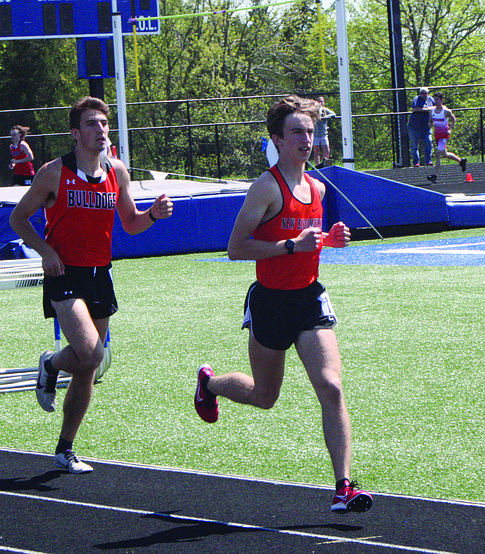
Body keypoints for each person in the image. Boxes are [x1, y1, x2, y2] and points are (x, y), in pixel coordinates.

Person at [193, 95, 372, 515]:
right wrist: (291, 245)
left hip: (309, 299)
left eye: (310, 131)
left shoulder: (319, 187)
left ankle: (343, 487)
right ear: (277, 139)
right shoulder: (265, 186)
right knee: (265, 395)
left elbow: (309, 243)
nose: (306, 139)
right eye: (297, 132)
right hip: (271, 302)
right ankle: (210, 384)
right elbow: (236, 248)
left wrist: (330, 240)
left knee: (330, 386)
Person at [9, 97, 173, 474]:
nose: (100, 130)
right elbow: (19, 219)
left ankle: (65, 447)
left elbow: (130, 223)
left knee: (86, 367)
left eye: (104, 124)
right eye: (92, 124)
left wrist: (153, 215)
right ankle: (50, 365)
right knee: (92, 353)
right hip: (64, 272)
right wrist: (45, 251)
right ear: (75, 133)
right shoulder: (53, 172)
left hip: (101, 272)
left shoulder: (117, 171)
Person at [426, 92, 467, 184]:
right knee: (444, 154)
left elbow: (453, 119)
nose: (436, 102)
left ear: (442, 100)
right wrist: (430, 124)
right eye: (435, 100)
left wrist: (450, 129)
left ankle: (434, 175)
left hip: (444, 135)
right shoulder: (431, 111)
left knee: (438, 154)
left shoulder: (446, 111)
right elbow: (430, 120)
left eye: (437, 100)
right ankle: (461, 161)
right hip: (437, 134)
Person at [407, 87, 434, 167]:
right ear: (419, 93)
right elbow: (415, 109)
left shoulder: (431, 99)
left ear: (428, 93)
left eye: (425, 93)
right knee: (414, 145)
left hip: (426, 127)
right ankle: (416, 162)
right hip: (414, 127)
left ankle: (428, 161)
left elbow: (435, 108)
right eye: (422, 93)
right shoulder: (416, 99)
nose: (424, 95)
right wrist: (427, 109)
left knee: (428, 143)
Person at [312, 96, 336, 166]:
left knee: (326, 150)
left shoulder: (325, 110)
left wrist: (325, 117)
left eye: (321, 101)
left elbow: (333, 114)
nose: (320, 103)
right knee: (316, 151)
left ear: (324, 102)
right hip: (315, 134)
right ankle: (317, 165)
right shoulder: (314, 110)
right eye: (319, 101)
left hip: (323, 134)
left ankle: (325, 164)